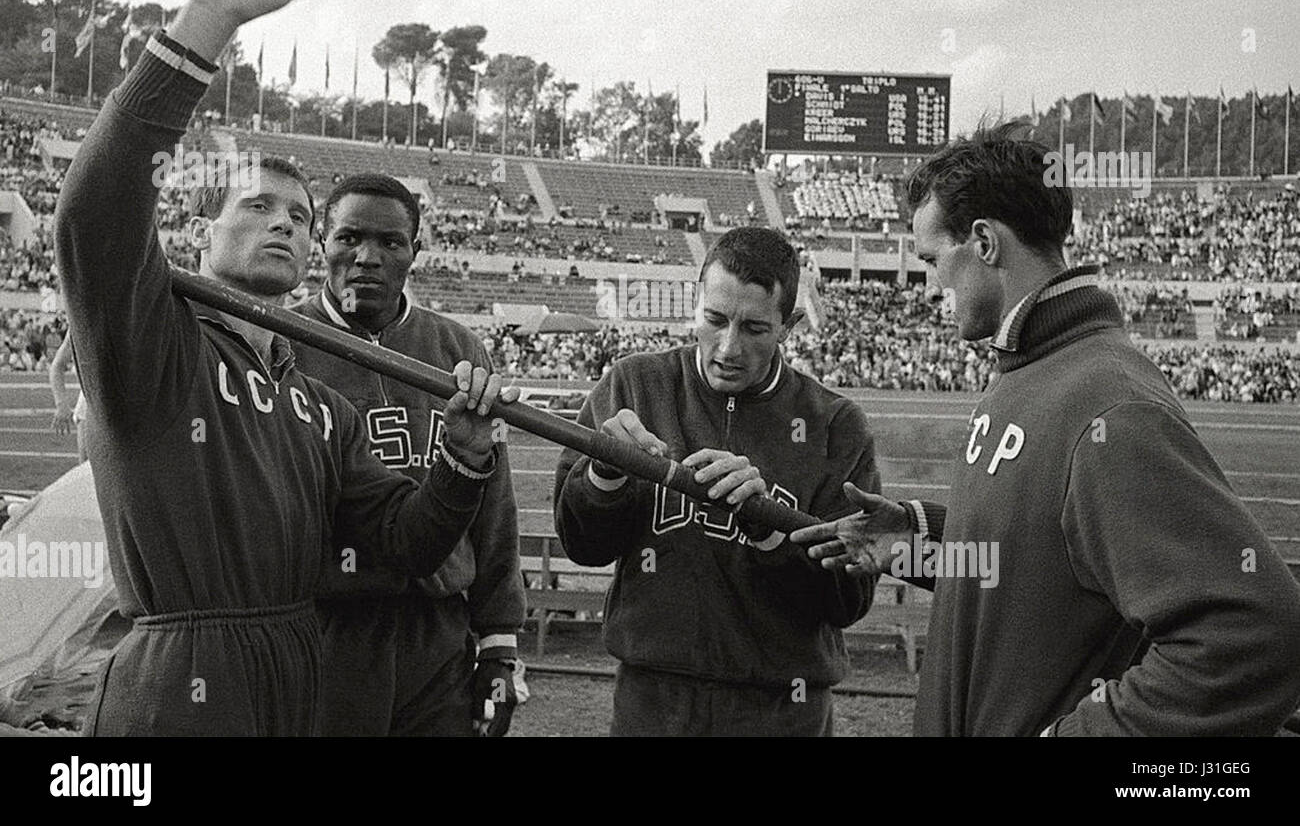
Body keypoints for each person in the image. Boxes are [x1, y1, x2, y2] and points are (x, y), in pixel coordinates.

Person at [54, 0, 514, 736]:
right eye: (256, 206)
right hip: (180, 678)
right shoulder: (154, 344)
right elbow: (96, 210)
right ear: (203, 231)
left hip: (302, 670)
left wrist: (463, 458)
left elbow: (408, 543)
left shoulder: (318, 405)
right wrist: (207, 22)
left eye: (300, 218)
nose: (284, 226)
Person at [792, 122, 1300, 736]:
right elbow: (1040, 570)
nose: (932, 287)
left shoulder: (1108, 406)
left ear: (983, 241)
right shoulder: (1031, 367)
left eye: (932, 261)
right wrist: (918, 540)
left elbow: (1255, 632)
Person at [553, 227, 878, 736]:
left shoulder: (837, 423)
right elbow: (580, 544)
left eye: (754, 329)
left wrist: (770, 531)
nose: (729, 347)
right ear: (696, 304)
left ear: (788, 326)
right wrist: (605, 477)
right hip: (652, 702)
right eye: (715, 320)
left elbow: (848, 600)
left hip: (782, 710)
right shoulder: (633, 384)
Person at [290, 173, 525, 736]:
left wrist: (498, 644)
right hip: (326, 627)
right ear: (323, 241)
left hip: (437, 632)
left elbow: (493, 507)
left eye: (390, 243)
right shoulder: (283, 341)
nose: (367, 257)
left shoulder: (457, 348)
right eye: (349, 237)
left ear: (415, 252)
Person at [47, 334, 86, 463]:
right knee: (88, 472)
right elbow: (57, 365)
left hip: (137, 402)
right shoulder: (81, 323)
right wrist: (61, 404)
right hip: (92, 403)